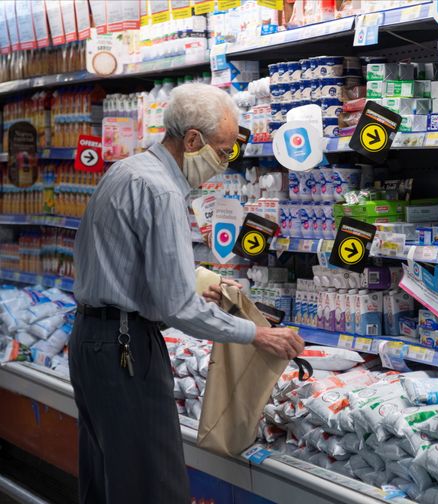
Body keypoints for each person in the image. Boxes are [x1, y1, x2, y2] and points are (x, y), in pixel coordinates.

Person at [70, 83, 304, 504]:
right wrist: (258, 335)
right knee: (151, 485)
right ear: (192, 140)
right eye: (223, 149)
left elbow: (123, 268)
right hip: (124, 349)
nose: (226, 160)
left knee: (107, 481)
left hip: (91, 340)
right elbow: (177, 306)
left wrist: (195, 290)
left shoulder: (126, 170)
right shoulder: (161, 191)